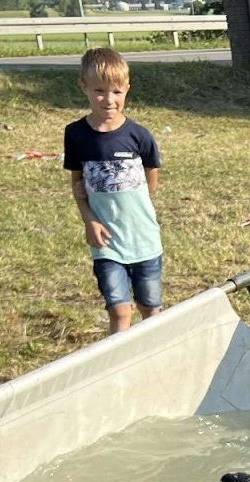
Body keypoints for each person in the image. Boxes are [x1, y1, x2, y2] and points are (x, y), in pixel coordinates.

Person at [63, 48, 163, 336]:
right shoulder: (76, 134)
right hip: (106, 243)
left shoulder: (140, 136)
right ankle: (121, 366)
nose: (109, 100)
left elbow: (150, 184)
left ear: (127, 89)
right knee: (119, 310)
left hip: (144, 239)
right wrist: (89, 220)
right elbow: (78, 185)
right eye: (99, 91)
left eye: (117, 92)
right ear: (83, 86)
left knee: (151, 310)